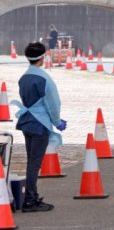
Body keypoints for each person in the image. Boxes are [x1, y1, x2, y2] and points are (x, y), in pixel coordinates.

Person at [12, 42, 67, 212]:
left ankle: (31, 196)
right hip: (40, 123)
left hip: (27, 121)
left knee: (31, 161)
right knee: (35, 163)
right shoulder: (45, 79)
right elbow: (53, 104)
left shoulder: (24, 78)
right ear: (42, 57)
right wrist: (57, 122)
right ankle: (30, 200)